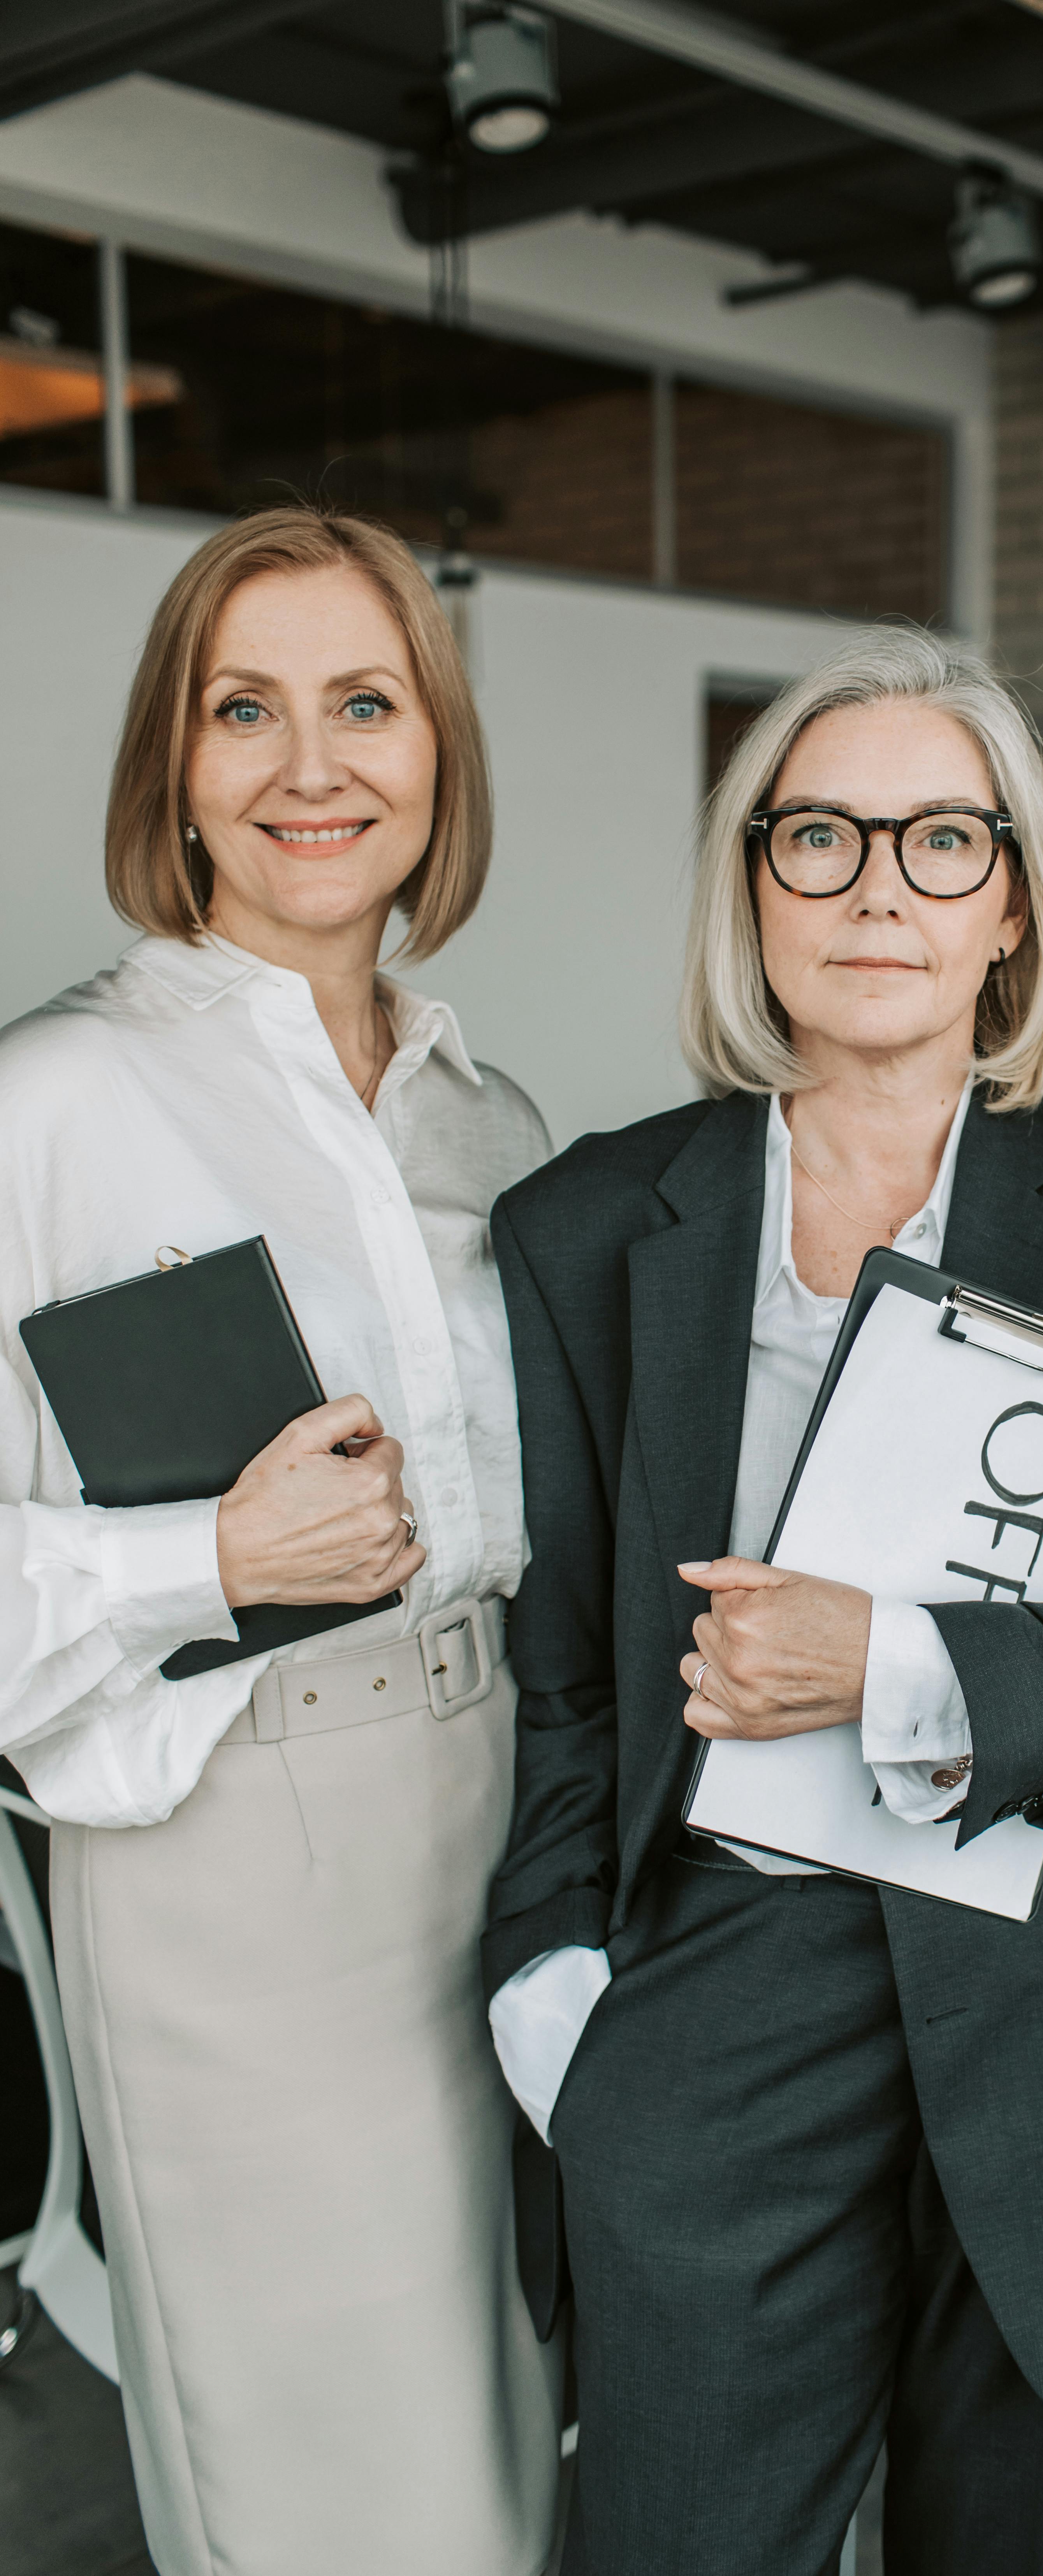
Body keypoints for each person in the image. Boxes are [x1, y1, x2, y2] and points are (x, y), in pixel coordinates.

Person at [482, 626, 1043, 2576]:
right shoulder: (592, 1227)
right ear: (749, 885)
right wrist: (560, 2007)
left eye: (945, 841)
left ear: (1012, 901)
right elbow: (564, 1675)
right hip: (717, 2009)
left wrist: (906, 1664)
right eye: (822, 836)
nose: (877, 887)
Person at [0, 506, 559, 2576]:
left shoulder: (488, 1120)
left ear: (437, 757)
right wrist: (204, 1560)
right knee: (332, 2484)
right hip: (229, 1846)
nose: (309, 762)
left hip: (494, 1808)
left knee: (501, 2430)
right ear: (174, 762)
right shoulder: (52, 1101)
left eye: (364, 701)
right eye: (246, 706)